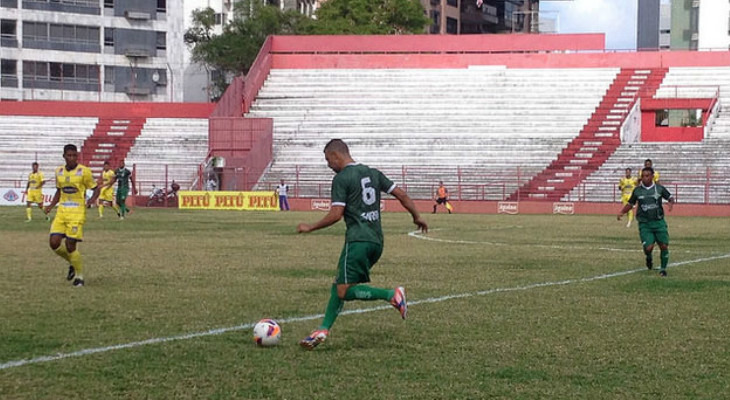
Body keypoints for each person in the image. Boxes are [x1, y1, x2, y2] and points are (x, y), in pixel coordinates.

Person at [296, 139, 428, 350]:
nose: (328, 165)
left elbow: (336, 214)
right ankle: (323, 329)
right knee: (339, 283)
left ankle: (391, 295)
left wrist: (310, 227)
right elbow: (401, 194)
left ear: (337, 155)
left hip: (357, 240)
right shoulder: (373, 173)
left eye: (328, 160)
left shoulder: (342, 178)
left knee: (343, 291)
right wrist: (417, 217)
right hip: (376, 241)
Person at [45, 144, 100, 287]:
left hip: (77, 213)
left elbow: (96, 189)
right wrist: (51, 206)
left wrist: (91, 201)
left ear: (77, 156)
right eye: (69, 155)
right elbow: (59, 191)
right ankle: (72, 262)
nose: (72, 158)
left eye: (74, 155)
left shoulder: (84, 172)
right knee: (54, 243)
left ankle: (79, 277)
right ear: (64, 156)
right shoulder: (59, 172)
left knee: (70, 245)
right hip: (62, 212)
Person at [617, 167, 675, 277]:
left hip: (658, 222)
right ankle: (649, 257)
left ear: (652, 177)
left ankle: (663, 269)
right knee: (648, 247)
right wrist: (622, 212)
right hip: (645, 223)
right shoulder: (638, 190)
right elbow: (630, 203)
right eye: (643, 176)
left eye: (647, 176)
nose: (644, 178)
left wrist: (671, 203)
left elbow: (670, 197)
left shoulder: (659, 188)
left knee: (663, 246)